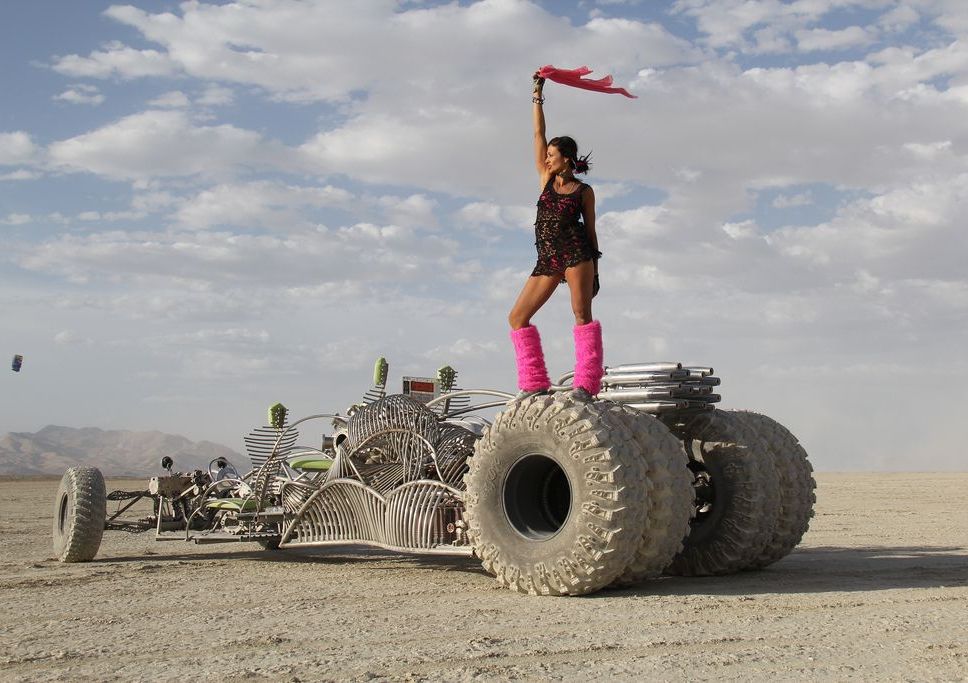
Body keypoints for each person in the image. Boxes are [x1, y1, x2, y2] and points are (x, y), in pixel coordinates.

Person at [507, 72, 604, 401]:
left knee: (581, 315)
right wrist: (537, 94)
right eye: (546, 155)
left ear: (566, 158)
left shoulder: (584, 191)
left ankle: (586, 385)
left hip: (577, 254)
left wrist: (596, 271)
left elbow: (590, 230)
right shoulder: (545, 178)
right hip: (547, 259)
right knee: (517, 317)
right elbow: (538, 132)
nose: (547, 158)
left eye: (552, 155)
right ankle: (534, 381)